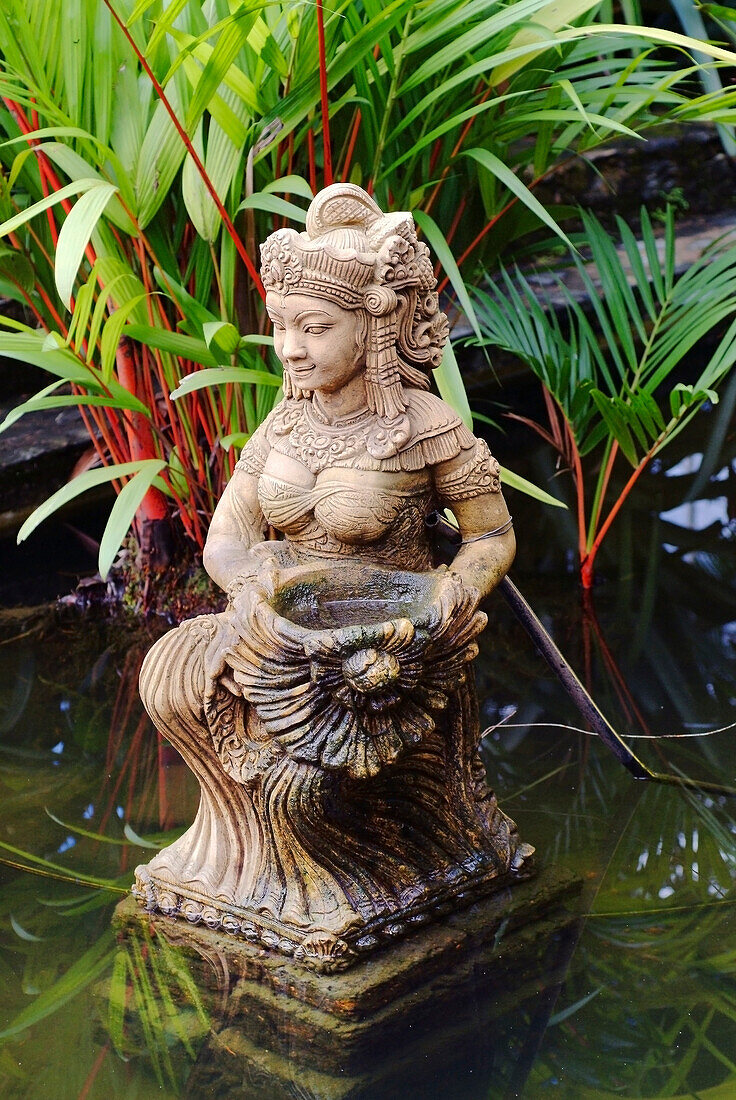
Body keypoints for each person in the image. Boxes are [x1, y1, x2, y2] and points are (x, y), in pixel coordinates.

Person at [134, 184, 532, 969]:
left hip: (391, 638)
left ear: (374, 327)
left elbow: (493, 538)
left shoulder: (428, 429)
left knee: (298, 771)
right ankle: (234, 862)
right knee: (169, 677)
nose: (290, 348)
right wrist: (250, 583)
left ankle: (345, 877)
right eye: (280, 327)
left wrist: (451, 593)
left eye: (314, 328)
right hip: (277, 621)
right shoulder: (283, 422)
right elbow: (227, 534)